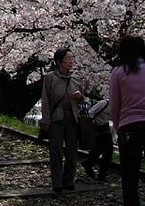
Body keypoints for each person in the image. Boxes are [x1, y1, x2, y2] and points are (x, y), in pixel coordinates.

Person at [40, 48, 83, 193]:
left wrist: (79, 97)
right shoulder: (50, 78)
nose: (71, 61)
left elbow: (82, 101)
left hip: (73, 119)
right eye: (68, 59)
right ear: (59, 62)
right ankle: (57, 182)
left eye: (72, 58)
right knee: (56, 151)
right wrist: (45, 119)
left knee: (72, 152)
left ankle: (68, 180)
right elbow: (45, 99)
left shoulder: (76, 78)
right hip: (56, 119)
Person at [109, 34, 145, 206]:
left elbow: (115, 105)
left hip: (129, 125)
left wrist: (117, 126)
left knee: (129, 176)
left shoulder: (118, 72)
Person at [82, 98, 113, 181]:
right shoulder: (104, 103)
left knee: (105, 149)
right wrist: (91, 127)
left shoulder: (117, 106)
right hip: (95, 126)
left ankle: (100, 171)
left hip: (104, 126)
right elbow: (90, 113)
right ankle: (91, 165)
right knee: (102, 149)